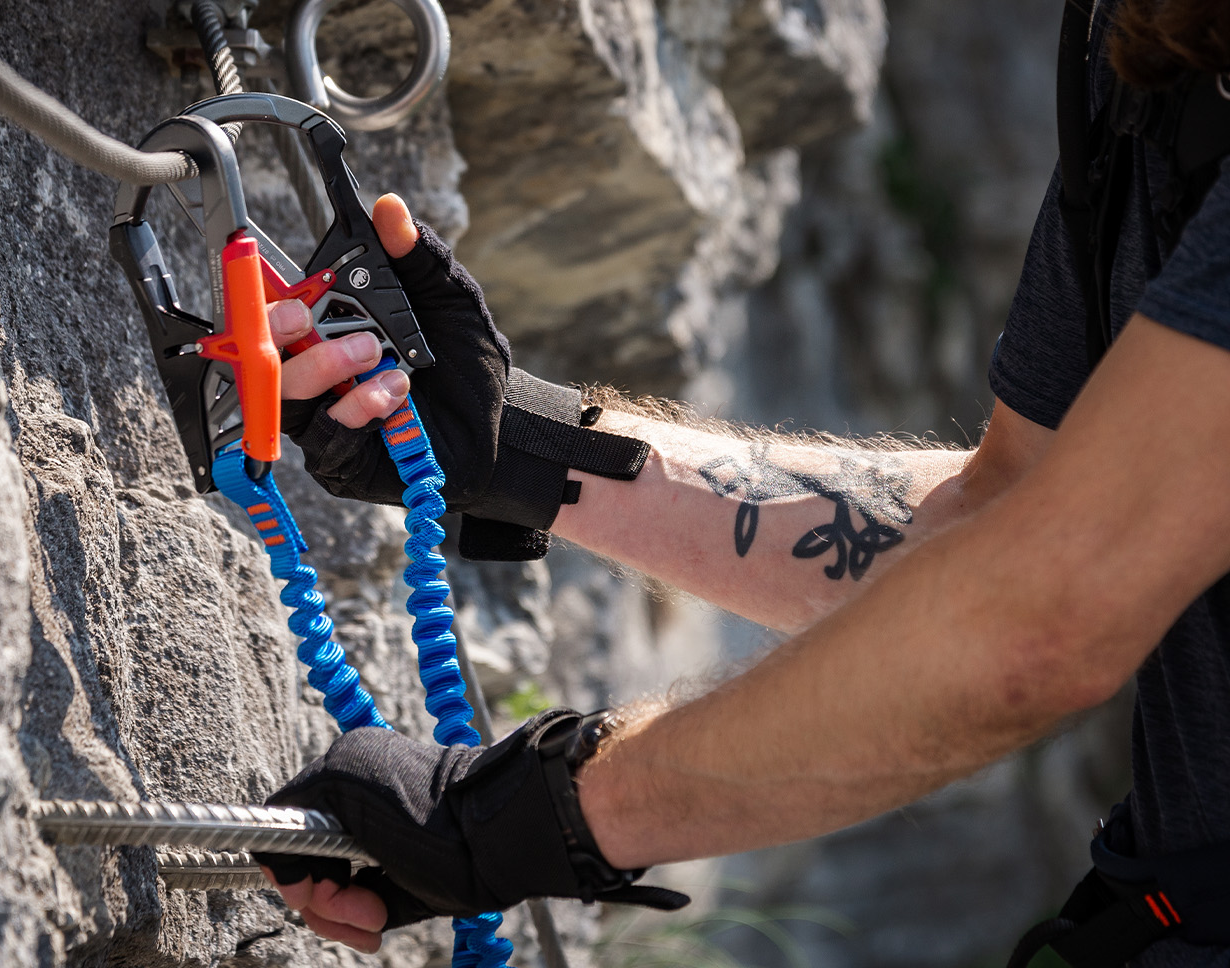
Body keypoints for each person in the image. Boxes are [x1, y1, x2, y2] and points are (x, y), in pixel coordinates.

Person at [256, 0, 1230, 961]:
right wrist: (523, 448)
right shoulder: (1149, 46)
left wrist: (518, 820)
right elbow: (1008, 519)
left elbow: (1042, 615)